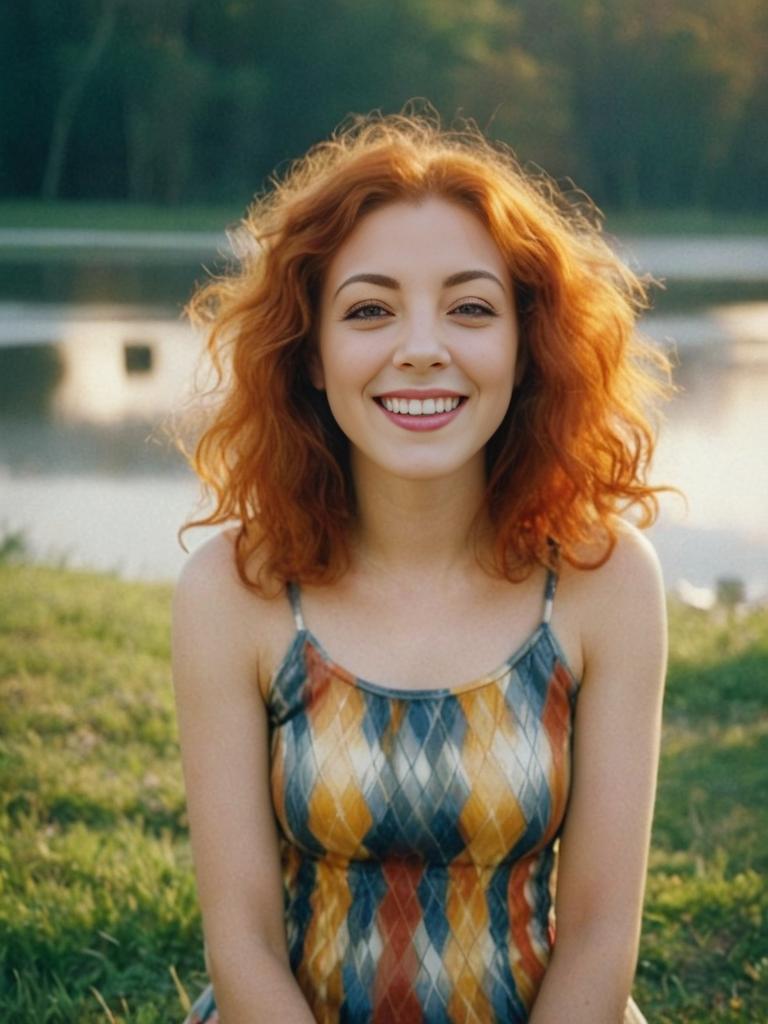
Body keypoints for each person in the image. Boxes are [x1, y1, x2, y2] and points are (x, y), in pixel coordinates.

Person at [171, 111, 669, 1024]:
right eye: (369, 309)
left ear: (526, 349)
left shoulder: (607, 581)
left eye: (471, 307)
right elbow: (240, 944)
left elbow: (602, 937)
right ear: (312, 356)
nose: (423, 346)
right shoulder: (232, 591)